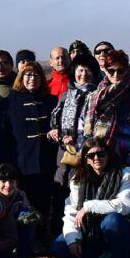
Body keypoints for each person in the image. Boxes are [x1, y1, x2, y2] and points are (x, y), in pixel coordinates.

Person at [52, 139, 130, 258]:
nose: (97, 158)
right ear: (86, 159)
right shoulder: (77, 181)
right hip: (92, 233)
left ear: (108, 155)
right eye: (91, 156)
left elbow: (126, 204)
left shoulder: (124, 173)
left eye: (101, 154)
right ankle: (101, 255)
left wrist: (89, 206)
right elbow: (71, 212)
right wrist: (74, 239)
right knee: (60, 246)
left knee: (112, 220)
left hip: (123, 230)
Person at [0, 62, 60, 242]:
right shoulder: (10, 101)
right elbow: (3, 135)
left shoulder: (51, 101)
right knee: (22, 204)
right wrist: (7, 164)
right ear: (21, 78)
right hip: (20, 162)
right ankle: (22, 240)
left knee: (42, 201)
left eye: (36, 75)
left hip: (45, 161)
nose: (32, 79)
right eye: (28, 75)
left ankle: (40, 238)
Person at [80, 49, 130, 171]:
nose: (115, 75)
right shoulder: (94, 97)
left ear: (126, 70)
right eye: (111, 71)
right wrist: (87, 156)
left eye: (120, 71)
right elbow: (82, 128)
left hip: (129, 162)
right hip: (97, 162)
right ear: (106, 71)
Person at [48, 54, 100, 186]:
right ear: (74, 72)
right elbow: (55, 118)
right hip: (66, 153)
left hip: (89, 152)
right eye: (80, 70)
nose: (84, 74)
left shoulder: (98, 95)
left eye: (88, 70)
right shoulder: (66, 95)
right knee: (63, 194)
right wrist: (57, 134)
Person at [0, 164, 41, 258]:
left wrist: (33, 215)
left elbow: (27, 210)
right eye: (3, 181)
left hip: (14, 229)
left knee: (28, 217)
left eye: (12, 181)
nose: (8, 185)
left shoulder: (20, 194)